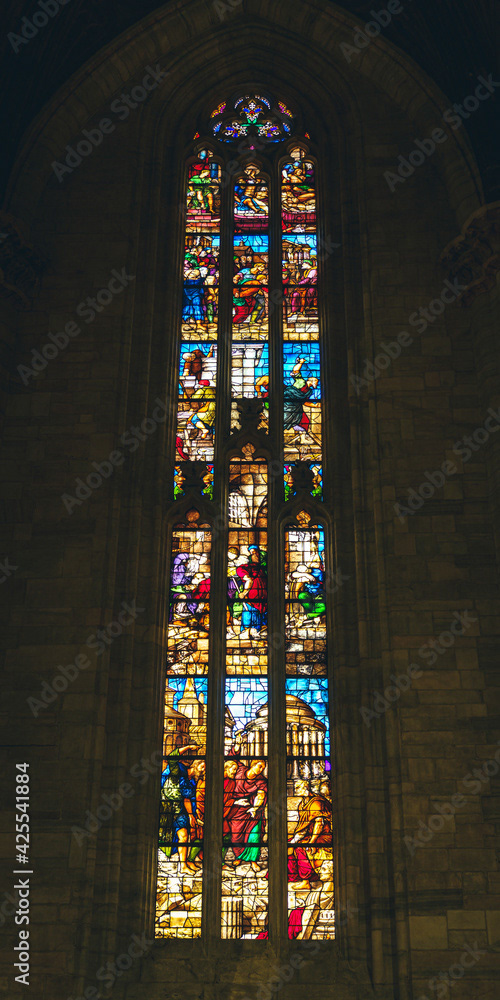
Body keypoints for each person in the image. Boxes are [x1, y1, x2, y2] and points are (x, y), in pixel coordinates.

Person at [159, 746, 204, 874]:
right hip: (170, 809)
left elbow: (189, 799)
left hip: (182, 811)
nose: (203, 770)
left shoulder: (192, 782)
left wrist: (192, 815)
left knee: (185, 837)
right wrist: (188, 747)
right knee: (181, 836)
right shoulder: (178, 769)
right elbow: (172, 758)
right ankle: (182, 865)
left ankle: (185, 863)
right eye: (202, 767)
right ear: (195, 765)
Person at [225, 746, 267, 871]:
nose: (261, 770)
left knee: (254, 835)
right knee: (236, 836)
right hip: (235, 809)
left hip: (251, 810)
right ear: (253, 764)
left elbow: (261, 795)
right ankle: (240, 857)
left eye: (263, 768)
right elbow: (231, 759)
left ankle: (253, 860)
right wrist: (237, 746)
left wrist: (255, 808)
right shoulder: (240, 770)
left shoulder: (261, 781)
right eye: (259, 766)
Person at [236, 545, 267, 639]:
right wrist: (244, 593)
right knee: (248, 613)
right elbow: (249, 580)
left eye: (255, 552)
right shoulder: (244, 568)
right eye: (252, 553)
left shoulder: (262, 568)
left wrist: (244, 593)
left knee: (255, 614)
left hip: (261, 597)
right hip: (253, 597)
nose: (255, 555)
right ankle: (247, 632)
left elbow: (250, 580)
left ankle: (254, 631)